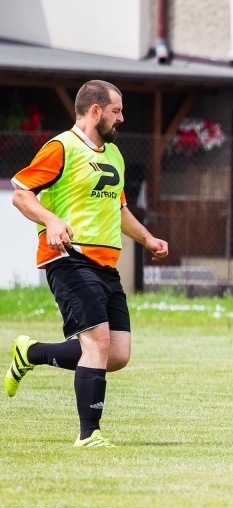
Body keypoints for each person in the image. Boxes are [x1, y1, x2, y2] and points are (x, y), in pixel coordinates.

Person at [5, 80, 169, 448]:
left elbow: (119, 209)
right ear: (95, 111)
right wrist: (51, 221)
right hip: (70, 259)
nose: (121, 118)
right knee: (97, 343)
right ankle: (89, 433)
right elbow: (21, 195)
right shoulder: (62, 147)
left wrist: (147, 239)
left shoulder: (114, 155)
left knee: (117, 354)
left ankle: (30, 352)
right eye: (116, 111)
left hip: (106, 267)